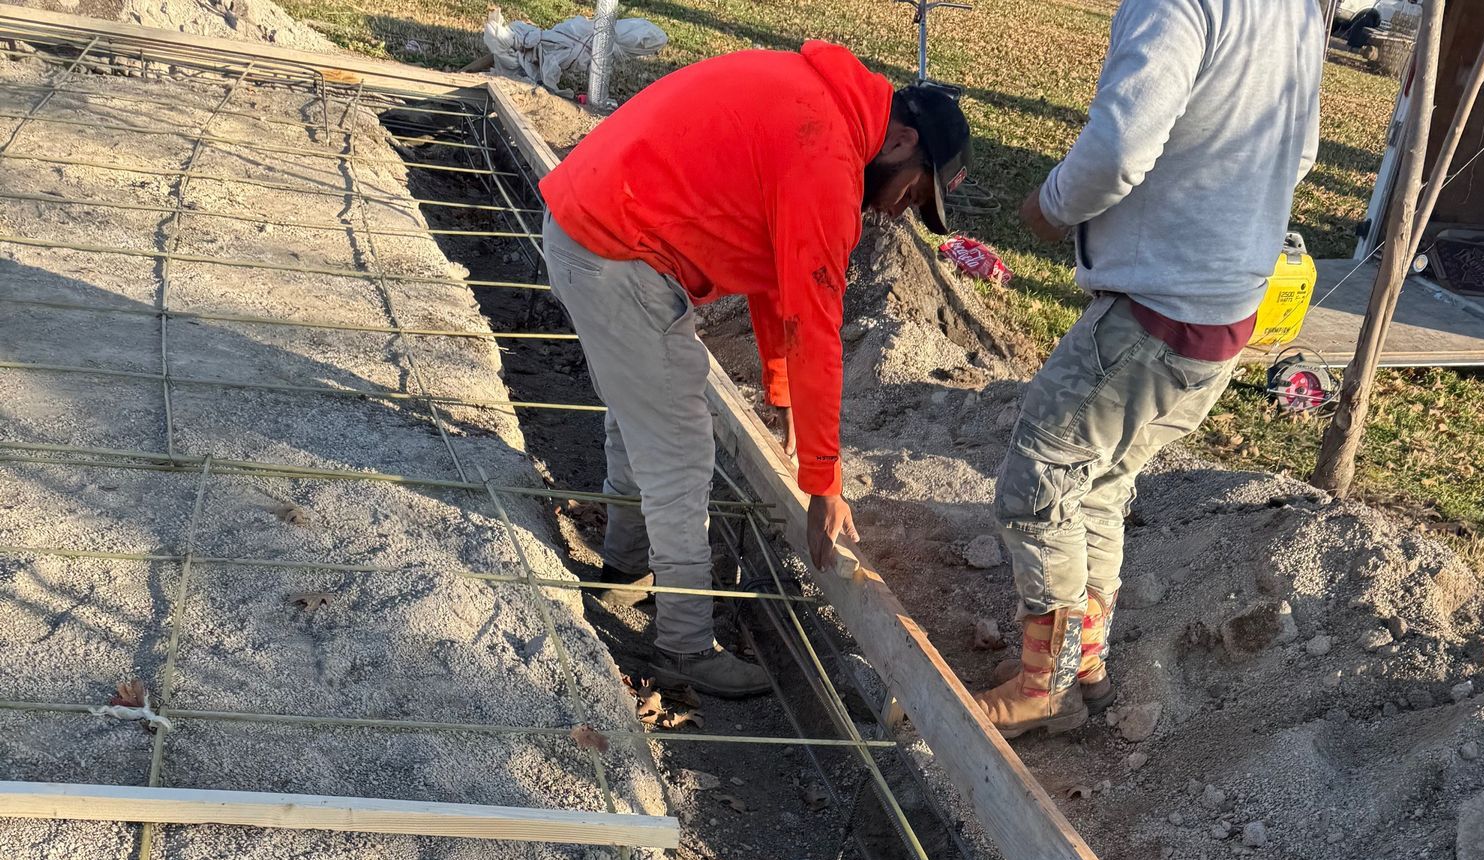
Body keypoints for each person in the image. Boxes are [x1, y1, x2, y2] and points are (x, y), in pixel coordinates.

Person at [540, 44, 969, 699]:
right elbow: (814, 323)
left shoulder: (819, 110)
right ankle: (683, 645)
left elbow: (777, 284)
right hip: (616, 251)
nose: (897, 211)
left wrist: (784, 401)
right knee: (680, 451)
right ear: (901, 139)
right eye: (912, 191)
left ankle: (626, 564)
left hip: (596, 228)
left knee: (644, 415)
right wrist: (823, 482)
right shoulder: (824, 159)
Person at [980, 0, 1325, 739]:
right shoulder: (1294, 9)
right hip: (1224, 311)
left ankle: (1047, 684)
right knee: (1099, 486)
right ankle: (1085, 666)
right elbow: (1298, 154)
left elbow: (1118, 148)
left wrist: (1051, 204)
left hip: (1154, 306)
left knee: (1036, 487)